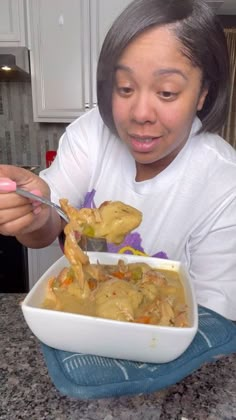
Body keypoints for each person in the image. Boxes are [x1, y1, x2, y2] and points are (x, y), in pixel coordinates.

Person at [0, 0, 235, 320]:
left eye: (167, 92)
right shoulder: (90, 133)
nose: (139, 114)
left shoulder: (224, 182)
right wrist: (34, 214)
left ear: (203, 93)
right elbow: (46, 224)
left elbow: (213, 317)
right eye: (124, 87)